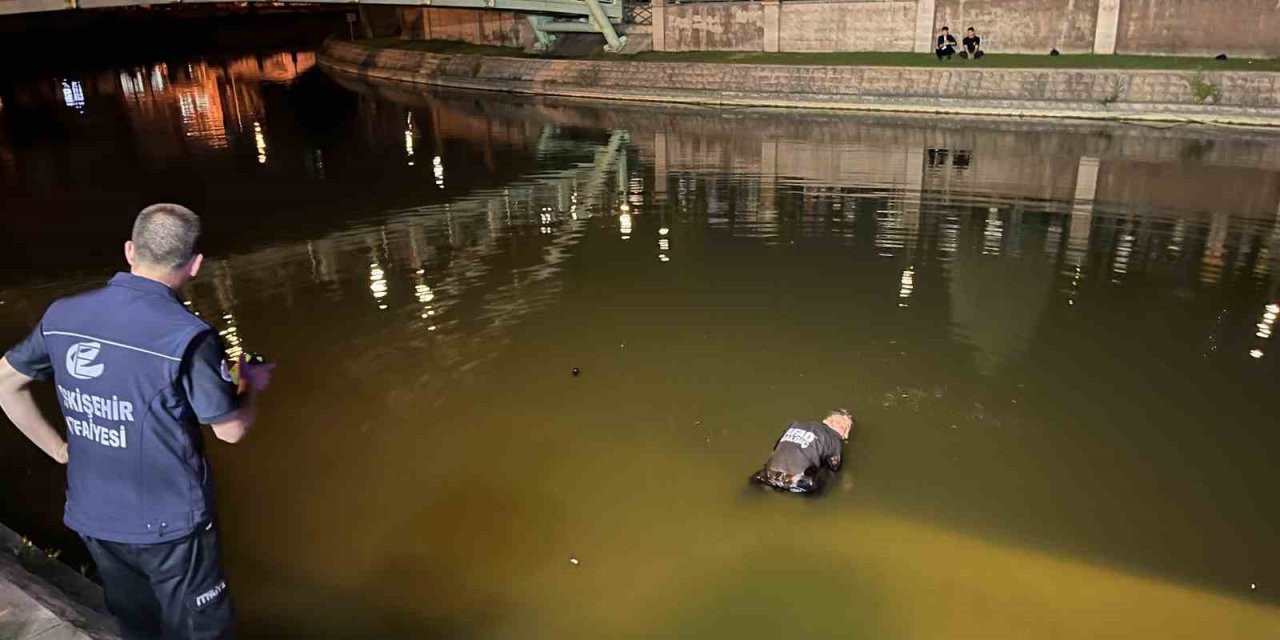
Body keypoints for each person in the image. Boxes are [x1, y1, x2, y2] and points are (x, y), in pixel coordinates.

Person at [0, 203, 275, 639]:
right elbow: (230, 429)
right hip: (171, 527)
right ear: (196, 265)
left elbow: (5, 383)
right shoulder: (189, 336)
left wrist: (59, 450)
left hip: (94, 514)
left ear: (130, 250)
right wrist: (251, 384)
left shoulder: (62, 315)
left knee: (137, 627)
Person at [752, 409, 853, 494]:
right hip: (797, 482)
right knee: (826, 479)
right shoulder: (835, 440)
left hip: (767, 476)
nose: (843, 428)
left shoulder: (795, 424)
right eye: (845, 426)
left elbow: (776, 447)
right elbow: (834, 468)